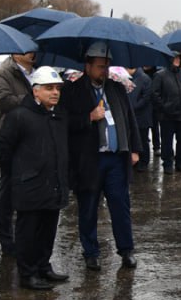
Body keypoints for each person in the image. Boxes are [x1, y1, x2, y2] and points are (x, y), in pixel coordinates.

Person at [58, 42, 141, 271]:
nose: (103, 71)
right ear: (87, 66)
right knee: (88, 207)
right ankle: (91, 252)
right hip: (89, 160)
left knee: (120, 206)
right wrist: (89, 117)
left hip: (115, 158)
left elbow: (129, 119)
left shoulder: (116, 89)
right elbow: (64, 123)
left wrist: (134, 148)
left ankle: (126, 250)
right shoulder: (72, 91)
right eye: (99, 67)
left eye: (106, 66)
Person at [0, 66, 70, 291]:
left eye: (57, 88)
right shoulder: (20, 115)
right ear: (35, 91)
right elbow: (3, 148)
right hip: (29, 186)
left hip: (53, 184)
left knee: (48, 229)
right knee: (28, 231)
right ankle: (27, 273)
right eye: (49, 88)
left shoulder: (57, 116)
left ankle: (43, 266)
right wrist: (19, 173)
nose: (55, 92)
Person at [0, 50, 37, 256]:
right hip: (9, 141)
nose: (32, 53)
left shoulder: (37, 73)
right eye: (27, 50)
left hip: (32, 140)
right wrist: (33, 97)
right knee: (8, 190)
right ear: (16, 53)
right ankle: (6, 239)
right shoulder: (3, 74)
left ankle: (25, 234)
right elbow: (4, 102)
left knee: (29, 188)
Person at [151, 51, 181, 173]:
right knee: (167, 141)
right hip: (167, 116)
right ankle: (167, 163)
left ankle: (180, 162)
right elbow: (155, 94)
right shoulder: (160, 75)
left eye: (179, 59)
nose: (177, 61)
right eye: (175, 58)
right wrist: (164, 107)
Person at [126, 65, 154, 170]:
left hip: (141, 116)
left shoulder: (145, 78)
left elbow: (146, 97)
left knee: (142, 139)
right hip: (130, 115)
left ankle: (144, 161)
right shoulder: (126, 79)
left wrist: (134, 107)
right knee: (132, 139)